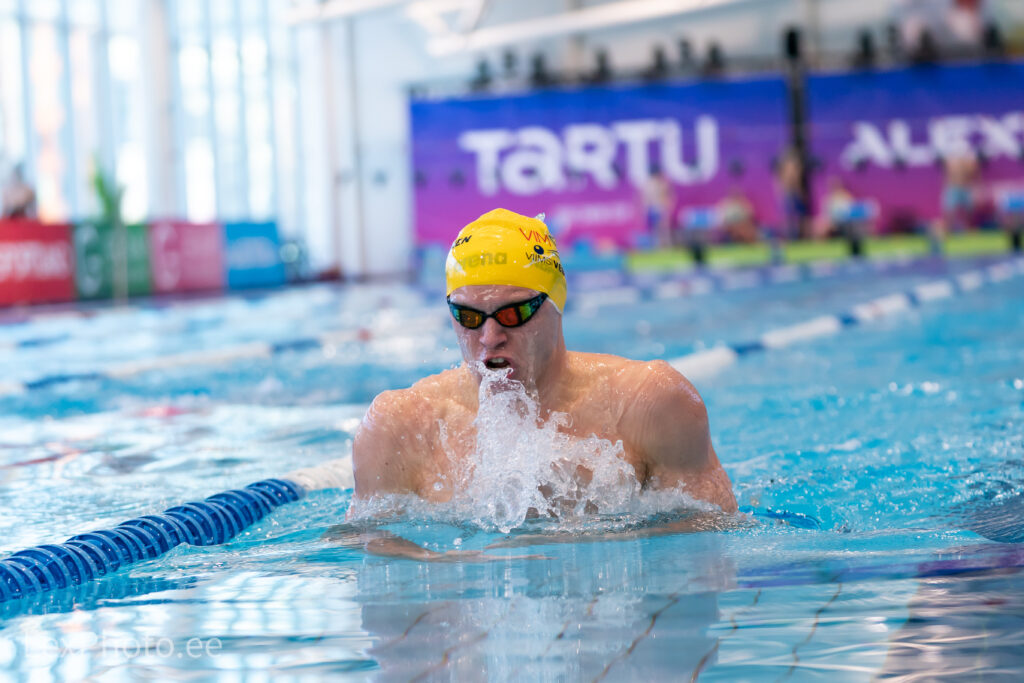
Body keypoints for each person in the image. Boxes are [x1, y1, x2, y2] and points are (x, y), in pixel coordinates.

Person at [350, 208, 737, 528]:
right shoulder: (399, 429)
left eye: (513, 313)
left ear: (555, 304)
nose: (490, 337)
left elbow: (708, 541)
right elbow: (376, 566)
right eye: (468, 316)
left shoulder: (647, 405)